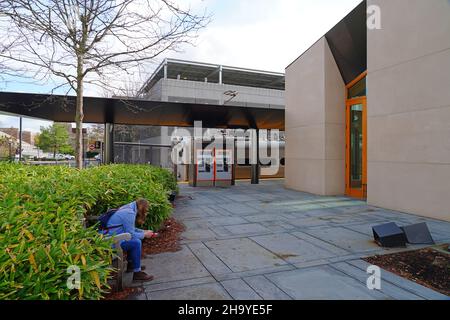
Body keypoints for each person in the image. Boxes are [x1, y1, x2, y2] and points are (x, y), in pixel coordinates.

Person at [106, 198, 158, 282]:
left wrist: (143, 231)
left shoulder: (128, 207)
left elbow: (130, 229)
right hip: (110, 242)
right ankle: (137, 273)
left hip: (111, 237)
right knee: (136, 242)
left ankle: (132, 265)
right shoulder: (129, 213)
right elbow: (131, 234)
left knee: (134, 241)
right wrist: (144, 235)